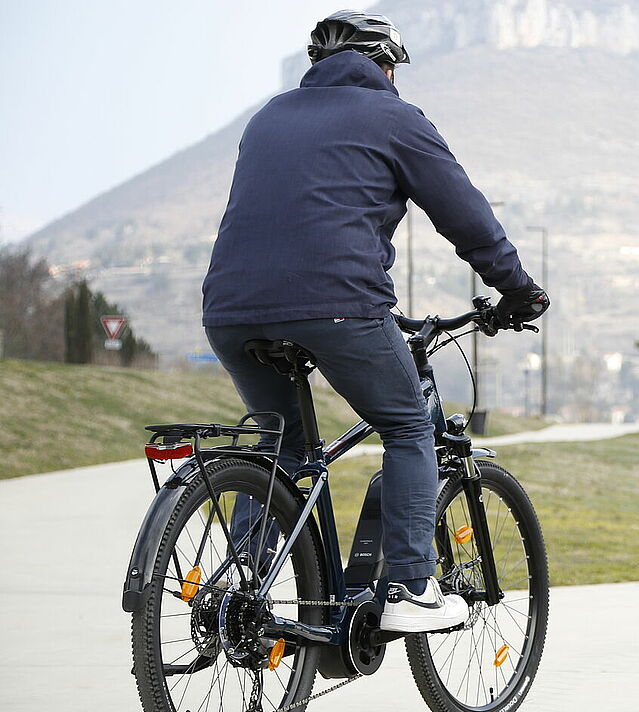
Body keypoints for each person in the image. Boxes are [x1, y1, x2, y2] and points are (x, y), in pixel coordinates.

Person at [201, 10, 549, 632]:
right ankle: (412, 588)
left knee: (279, 450)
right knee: (408, 423)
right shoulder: (394, 117)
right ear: (384, 65)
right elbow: (464, 215)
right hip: (339, 303)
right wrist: (517, 291)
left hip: (229, 310)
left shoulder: (266, 117)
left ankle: (243, 599)